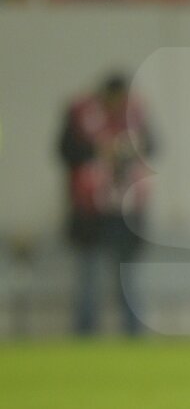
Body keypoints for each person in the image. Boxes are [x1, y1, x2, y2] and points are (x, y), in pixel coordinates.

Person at [58, 71, 153, 335]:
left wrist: (126, 150)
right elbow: (65, 151)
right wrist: (98, 151)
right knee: (89, 276)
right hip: (89, 209)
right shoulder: (81, 113)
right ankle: (85, 331)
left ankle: (132, 332)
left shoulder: (135, 115)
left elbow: (153, 146)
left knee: (127, 277)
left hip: (125, 210)